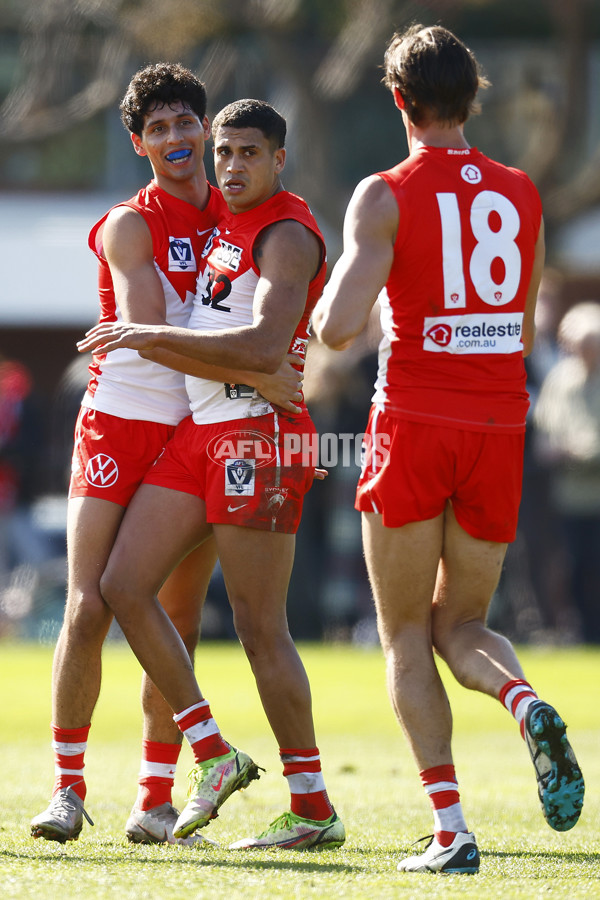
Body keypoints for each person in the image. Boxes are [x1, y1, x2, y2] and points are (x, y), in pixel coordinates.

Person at [312, 25, 584, 874]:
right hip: (503, 426)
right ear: (473, 97)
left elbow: (337, 324)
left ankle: (451, 828)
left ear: (400, 101)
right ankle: (526, 700)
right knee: (460, 621)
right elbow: (522, 312)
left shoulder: (383, 192)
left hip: (415, 423)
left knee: (402, 633)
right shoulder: (524, 191)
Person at [30, 65, 303, 846]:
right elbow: (150, 334)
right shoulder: (130, 223)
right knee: (89, 603)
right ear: (137, 142)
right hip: (122, 419)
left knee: (172, 616)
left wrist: (275, 357)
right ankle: (68, 789)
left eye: (188, 124)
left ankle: (154, 797)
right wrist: (259, 365)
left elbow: (278, 299)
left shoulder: (239, 206)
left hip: (203, 427)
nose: (178, 139)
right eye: (159, 128)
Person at [75, 99, 345, 851]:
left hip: (257, 441)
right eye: (224, 152)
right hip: (205, 433)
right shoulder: (227, 222)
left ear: (279, 159)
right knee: (121, 587)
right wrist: (171, 346)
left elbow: (262, 346)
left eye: (248, 153)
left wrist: (148, 336)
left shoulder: (287, 230)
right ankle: (213, 754)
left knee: (261, 630)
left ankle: (314, 807)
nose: (230, 166)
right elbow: (244, 349)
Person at [534, 300, 600, 643]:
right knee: (571, 566)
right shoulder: (559, 379)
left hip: (597, 492)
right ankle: (576, 630)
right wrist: (555, 451)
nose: (583, 353)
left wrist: (586, 451)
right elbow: (544, 432)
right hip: (568, 495)